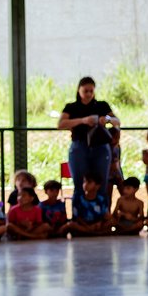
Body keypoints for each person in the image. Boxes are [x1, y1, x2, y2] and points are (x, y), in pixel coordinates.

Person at [58, 76, 118, 210]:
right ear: (79, 90)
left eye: (91, 91)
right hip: (79, 146)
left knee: (101, 182)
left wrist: (106, 119)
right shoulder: (71, 107)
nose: (89, 94)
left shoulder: (102, 105)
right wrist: (83, 120)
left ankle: (102, 214)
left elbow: (116, 120)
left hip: (100, 146)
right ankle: (78, 214)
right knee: (80, 183)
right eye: (86, 91)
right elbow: (61, 124)